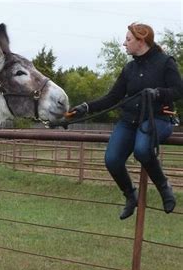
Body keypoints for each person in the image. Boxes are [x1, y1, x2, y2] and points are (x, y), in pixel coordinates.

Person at [69, 22, 183, 220]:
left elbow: (178, 91)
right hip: (129, 120)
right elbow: (112, 98)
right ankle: (131, 196)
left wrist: (158, 93)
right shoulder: (129, 69)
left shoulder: (166, 63)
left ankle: (164, 187)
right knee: (112, 160)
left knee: (141, 149)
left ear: (141, 41)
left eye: (128, 40)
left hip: (159, 118)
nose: (124, 43)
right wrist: (85, 107)